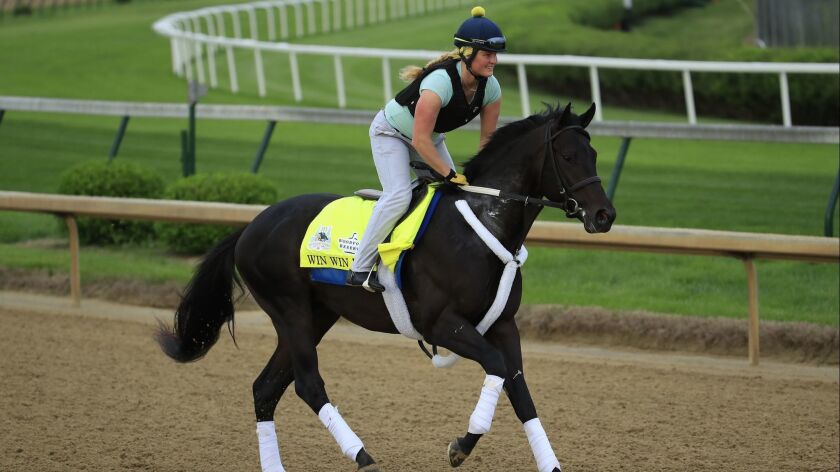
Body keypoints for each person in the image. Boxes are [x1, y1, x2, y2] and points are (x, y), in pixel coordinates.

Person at [346, 6, 506, 292]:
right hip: (391, 134)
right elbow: (419, 140)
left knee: (457, 197)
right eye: (487, 54)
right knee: (399, 195)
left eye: (495, 55)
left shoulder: (491, 89)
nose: (493, 61)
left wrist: (484, 177)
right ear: (467, 54)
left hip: (428, 140)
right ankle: (359, 267)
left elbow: (487, 144)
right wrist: (449, 172)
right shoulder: (438, 83)